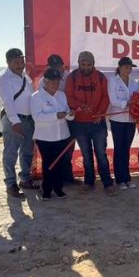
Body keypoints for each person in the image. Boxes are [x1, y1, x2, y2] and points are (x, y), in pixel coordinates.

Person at [65, 51, 115, 194]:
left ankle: (107, 182)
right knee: (86, 155)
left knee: (101, 153)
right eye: (83, 64)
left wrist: (100, 112)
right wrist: (80, 106)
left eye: (89, 64)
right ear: (79, 63)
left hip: (97, 123)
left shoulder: (100, 77)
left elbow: (106, 96)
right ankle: (89, 181)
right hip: (79, 124)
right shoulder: (72, 77)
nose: (86, 67)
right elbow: (69, 97)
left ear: (93, 63)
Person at [0, 48, 36, 200]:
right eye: (16, 62)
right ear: (8, 62)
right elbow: (8, 102)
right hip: (14, 119)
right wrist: (15, 121)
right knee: (11, 152)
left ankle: (25, 179)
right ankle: (11, 184)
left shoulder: (24, 75)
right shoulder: (3, 78)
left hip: (28, 119)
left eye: (21, 61)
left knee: (27, 151)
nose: (20, 65)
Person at [30, 68, 72, 200]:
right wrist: (55, 115)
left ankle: (59, 189)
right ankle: (47, 190)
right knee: (48, 164)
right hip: (45, 137)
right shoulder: (36, 97)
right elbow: (37, 117)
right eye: (52, 81)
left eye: (57, 81)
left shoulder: (61, 95)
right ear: (45, 81)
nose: (55, 84)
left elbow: (67, 112)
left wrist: (71, 115)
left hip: (62, 135)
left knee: (60, 163)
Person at [43, 53, 77, 185]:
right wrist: (55, 115)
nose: (57, 69)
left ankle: (68, 177)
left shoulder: (70, 77)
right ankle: (55, 179)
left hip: (70, 118)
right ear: (49, 67)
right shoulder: (44, 80)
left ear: (63, 66)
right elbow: (43, 101)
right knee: (55, 151)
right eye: (54, 66)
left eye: (59, 66)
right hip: (53, 121)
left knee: (68, 149)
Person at [109, 57, 139, 190]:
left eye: (130, 67)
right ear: (120, 67)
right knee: (119, 149)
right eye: (126, 67)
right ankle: (119, 179)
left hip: (131, 120)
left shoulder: (134, 82)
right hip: (118, 120)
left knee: (126, 149)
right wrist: (126, 103)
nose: (128, 69)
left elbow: (138, 98)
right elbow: (113, 100)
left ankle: (127, 178)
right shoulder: (113, 81)